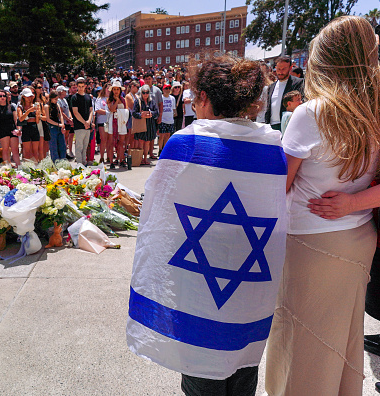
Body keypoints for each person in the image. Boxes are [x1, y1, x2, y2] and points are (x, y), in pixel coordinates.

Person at [127, 56, 286, 396]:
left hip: (200, 280)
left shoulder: (187, 143)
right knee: (243, 370)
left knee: (201, 373)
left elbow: (158, 219)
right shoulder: (274, 148)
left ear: (202, 97)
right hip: (249, 279)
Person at [264, 16, 380, 396]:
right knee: (343, 333)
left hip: (311, 241)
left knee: (302, 337)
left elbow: (277, 187)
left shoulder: (312, 113)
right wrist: (354, 202)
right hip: (359, 235)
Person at [264, 55, 305, 130]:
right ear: (275, 68)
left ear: (290, 68)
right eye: (278, 69)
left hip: (288, 125)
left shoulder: (298, 83)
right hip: (271, 126)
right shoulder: (271, 86)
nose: (280, 71)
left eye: (284, 69)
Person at [132, 84, 158, 165]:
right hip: (141, 124)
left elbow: (156, 112)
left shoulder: (152, 101)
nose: (145, 94)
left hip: (150, 124)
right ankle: (140, 158)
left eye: (147, 92)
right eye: (143, 92)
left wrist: (151, 113)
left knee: (147, 142)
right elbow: (134, 113)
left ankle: (145, 159)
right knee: (141, 141)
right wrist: (141, 115)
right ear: (141, 93)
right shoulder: (137, 101)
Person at [71, 77, 93, 165]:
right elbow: (75, 112)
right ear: (76, 86)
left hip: (87, 125)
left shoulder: (88, 97)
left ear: (85, 86)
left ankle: (84, 163)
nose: (80, 88)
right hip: (79, 126)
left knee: (85, 146)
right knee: (79, 146)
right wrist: (85, 122)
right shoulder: (74, 97)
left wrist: (89, 121)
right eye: (79, 86)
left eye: (82, 86)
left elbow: (91, 110)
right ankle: (79, 165)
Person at [0, 89, 20, 167]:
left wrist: (18, 129)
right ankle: (7, 168)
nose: (2, 97)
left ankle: (20, 167)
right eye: (0, 96)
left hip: (12, 130)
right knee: (5, 150)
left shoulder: (11, 106)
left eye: (4, 96)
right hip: (2, 130)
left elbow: (16, 120)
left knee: (15, 150)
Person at [106, 81, 127, 168]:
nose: (116, 91)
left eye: (117, 89)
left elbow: (126, 110)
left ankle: (121, 159)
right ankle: (111, 161)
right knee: (111, 143)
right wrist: (117, 101)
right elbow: (112, 109)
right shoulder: (109, 100)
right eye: (114, 89)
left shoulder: (124, 99)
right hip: (112, 122)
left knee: (121, 142)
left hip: (121, 122)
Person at [17, 87, 40, 162]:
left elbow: (36, 120)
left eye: (30, 96)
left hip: (34, 128)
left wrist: (36, 114)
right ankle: (28, 167)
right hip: (26, 129)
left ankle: (36, 168)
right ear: (23, 97)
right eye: (27, 96)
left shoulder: (35, 106)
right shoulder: (20, 107)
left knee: (35, 151)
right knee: (27, 152)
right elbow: (20, 118)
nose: (29, 98)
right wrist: (28, 111)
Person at [45, 91, 66, 162]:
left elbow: (60, 115)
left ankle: (63, 162)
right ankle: (55, 163)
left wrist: (62, 125)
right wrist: (57, 124)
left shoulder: (57, 105)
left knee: (62, 146)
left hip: (59, 126)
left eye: (57, 99)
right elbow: (48, 119)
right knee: (54, 147)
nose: (56, 101)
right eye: (55, 99)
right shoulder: (47, 106)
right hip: (52, 127)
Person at [94, 84, 109, 163]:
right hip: (102, 122)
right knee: (103, 139)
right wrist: (108, 112)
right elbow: (97, 109)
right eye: (107, 88)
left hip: (111, 122)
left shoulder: (112, 99)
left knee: (110, 140)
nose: (109, 90)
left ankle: (109, 156)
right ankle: (102, 157)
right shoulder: (100, 99)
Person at [159, 83, 175, 155]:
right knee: (162, 135)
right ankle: (160, 149)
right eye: (166, 88)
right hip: (163, 119)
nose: (168, 90)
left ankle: (165, 150)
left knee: (168, 135)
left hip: (170, 119)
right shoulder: (161, 98)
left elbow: (173, 109)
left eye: (169, 88)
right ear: (163, 90)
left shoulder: (172, 98)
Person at [125, 80, 140, 149]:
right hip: (131, 117)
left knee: (135, 136)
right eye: (137, 87)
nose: (138, 89)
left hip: (137, 117)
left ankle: (134, 149)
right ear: (132, 86)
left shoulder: (137, 96)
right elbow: (133, 106)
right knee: (130, 135)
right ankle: (128, 150)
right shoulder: (128, 96)